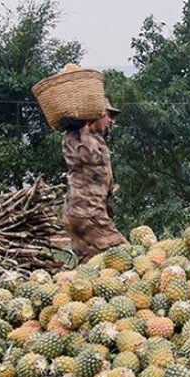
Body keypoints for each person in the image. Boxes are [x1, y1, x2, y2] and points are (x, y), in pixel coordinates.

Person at [62, 105, 128, 262]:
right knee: (127, 256)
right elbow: (88, 157)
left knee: (92, 264)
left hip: (76, 212)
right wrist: (86, 125)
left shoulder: (73, 137)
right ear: (95, 115)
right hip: (89, 214)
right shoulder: (84, 139)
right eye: (108, 116)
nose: (111, 121)